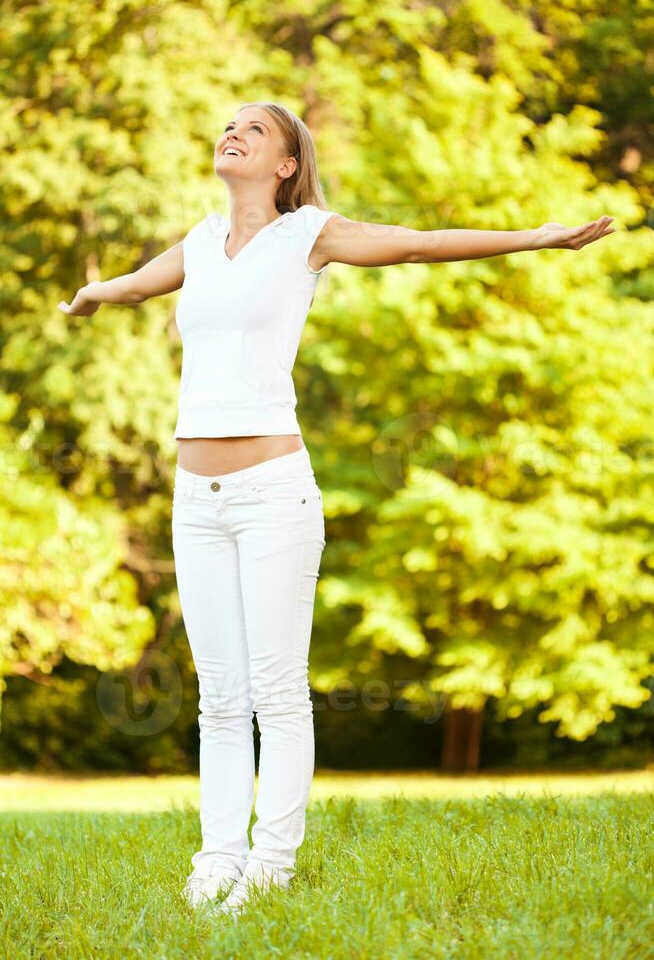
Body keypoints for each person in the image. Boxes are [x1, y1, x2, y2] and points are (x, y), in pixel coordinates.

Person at [58, 100, 615, 917]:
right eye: (230, 124)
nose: (234, 132)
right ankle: (216, 864)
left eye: (256, 128)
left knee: (276, 691)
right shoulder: (201, 242)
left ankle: (270, 868)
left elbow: (421, 246)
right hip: (196, 498)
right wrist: (90, 294)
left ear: (286, 164)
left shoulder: (307, 235)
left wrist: (536, 235)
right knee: (219, 694)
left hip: (273, 493)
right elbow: (137, 287)